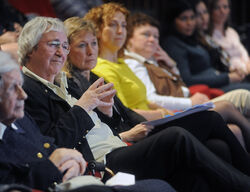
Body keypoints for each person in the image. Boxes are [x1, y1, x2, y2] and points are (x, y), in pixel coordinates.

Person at [19, 15, 250, 191]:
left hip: (118, 144)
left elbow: (107, 123)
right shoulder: (26, 90)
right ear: (30, 48)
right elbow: (52, 143)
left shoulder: (64, 82)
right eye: (54, 45)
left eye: (64, 46)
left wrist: (109, 118)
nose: (61, 52)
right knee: (176, 137)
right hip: (101, 162)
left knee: (208, 143)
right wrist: (84, 107)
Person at [0, 50, 174, 192]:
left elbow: (44, 144)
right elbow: (12, 182)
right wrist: (55, 164)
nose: (22, 95)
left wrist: (66, 157)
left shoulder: (14, 115)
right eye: (11, 89)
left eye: (20, 85)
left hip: (80, 176)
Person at [123, 12, 250, 149]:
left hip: (184, 105)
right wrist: (191, 102)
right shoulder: (134, 64)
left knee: (236, 121)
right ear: (129, 38)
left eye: (156, 36)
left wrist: (171, 65)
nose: (152, 39)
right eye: (146, 34)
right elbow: (151, 99)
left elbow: (180, 87)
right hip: (173, 112)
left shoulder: (153, 60)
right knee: (234, 101)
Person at [161, 0, 250, 92]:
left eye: (192, 18)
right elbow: (186, 80)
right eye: (183, 18)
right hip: (207, 90)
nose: (189, 23)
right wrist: (227, 78)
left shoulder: (192, 39)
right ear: (172, 21)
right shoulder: (172, 44)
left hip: (219, 82)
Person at [207, 0, 250, 75]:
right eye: (217, 8)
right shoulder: (209, 36)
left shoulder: (231, 31)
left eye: (225, 7)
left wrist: (247, 65)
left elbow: (243, 53)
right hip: (231, 73)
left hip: (245, 69)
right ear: (211, 11)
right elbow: (222, 63)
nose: (222, 11)